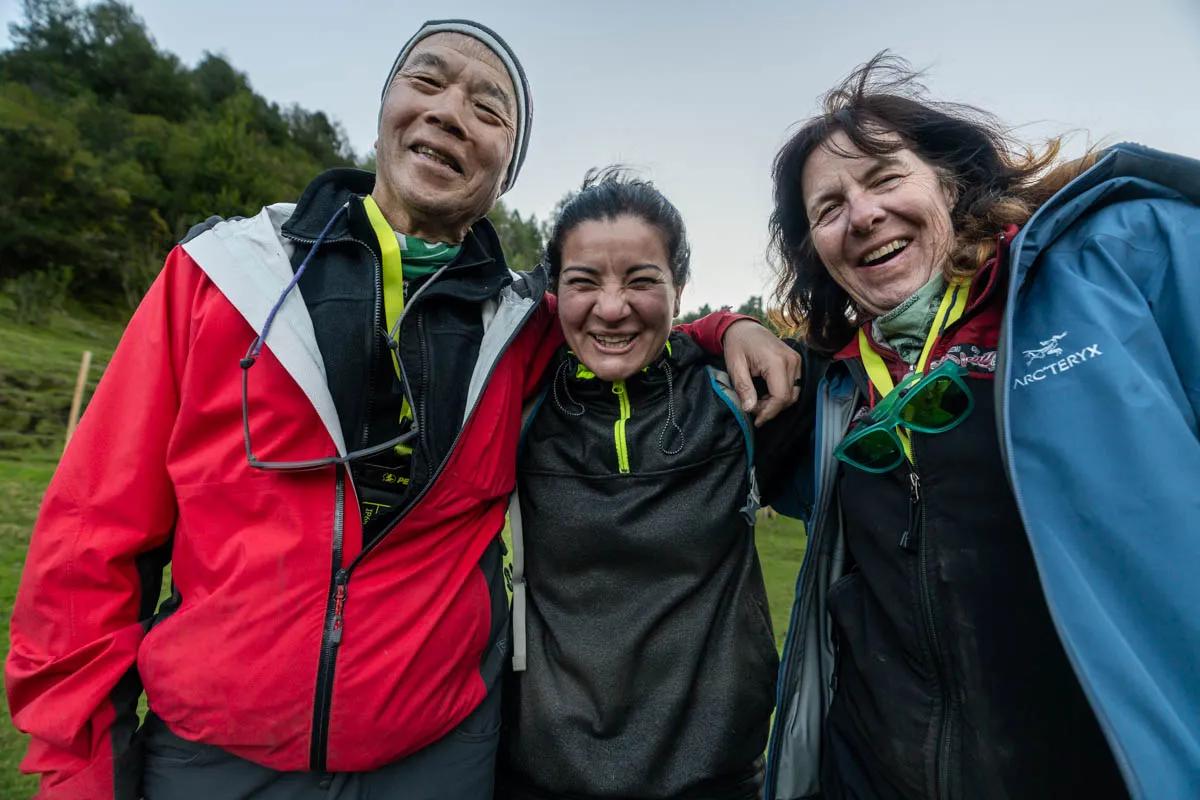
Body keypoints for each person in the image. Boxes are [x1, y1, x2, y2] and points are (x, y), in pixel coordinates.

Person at [5, 20, 800, 800]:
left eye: (489, 110)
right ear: (383, 107)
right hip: (215, 754)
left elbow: (623, 327)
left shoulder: (517, 330)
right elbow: (91, 534)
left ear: (504, 172)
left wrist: (732, 326)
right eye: (426, 80)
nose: (450, 112)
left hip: (436, 754)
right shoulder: (219, 280)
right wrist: (78, 765)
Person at [761, 55, 1200, 800]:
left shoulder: (1119, 258)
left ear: (950, 182)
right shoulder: (835, 391)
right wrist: (722, 333)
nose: (862, 214)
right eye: (828, 209)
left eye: (885, 177)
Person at [497, 171, 804, 800]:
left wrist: (732, 326)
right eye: (585, 282)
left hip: (715, 777)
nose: (613, 307)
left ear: (677, 287)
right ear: (556, 293)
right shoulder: (516, 398)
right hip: (538, 774)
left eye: (641, 280)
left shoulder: (737, 392)